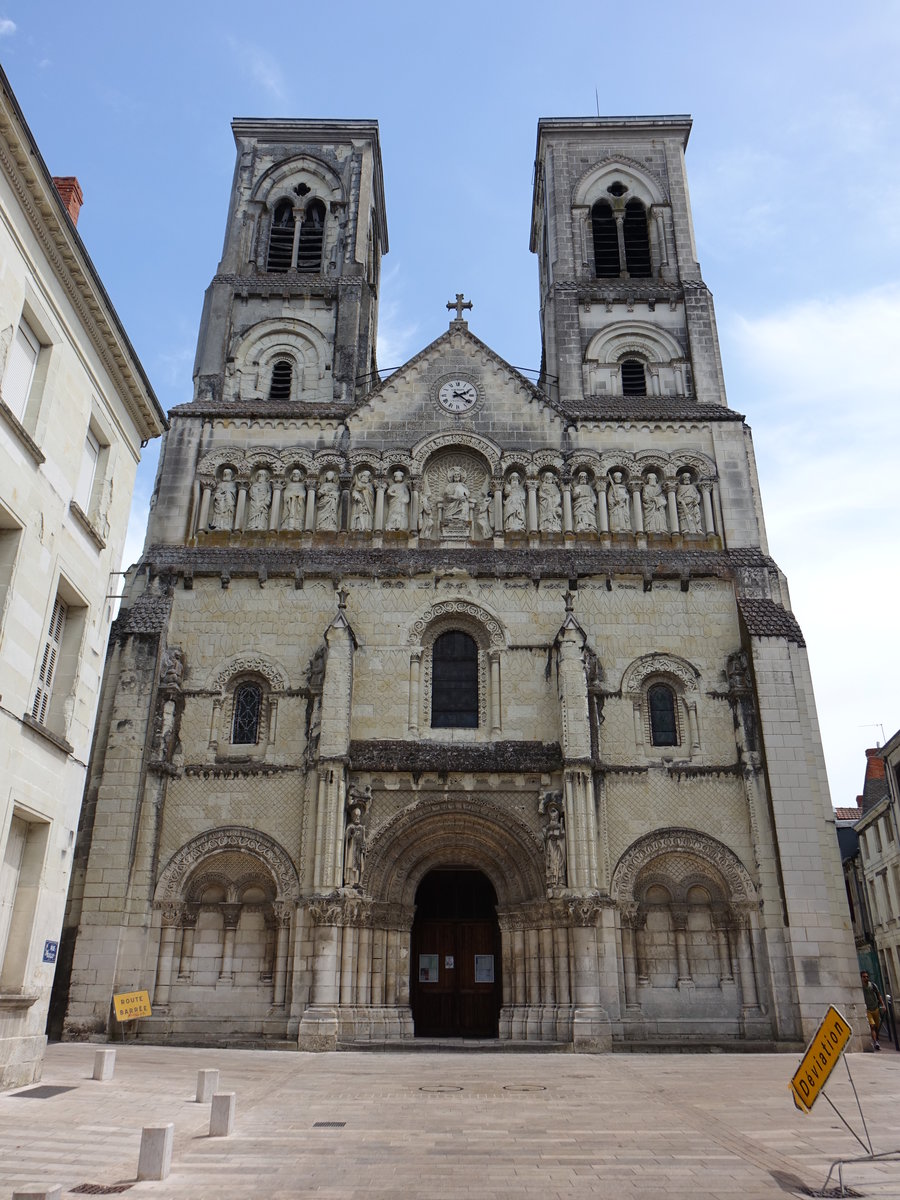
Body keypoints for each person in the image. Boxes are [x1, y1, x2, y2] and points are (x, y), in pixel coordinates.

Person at [861, 970, 886, 1049]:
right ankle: (875, 1042)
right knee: (872, 1025)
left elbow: (879, 995)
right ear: (861, 978)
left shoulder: (873, 985)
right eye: (864, 977)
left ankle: (876, 1038)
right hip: (868, 1009)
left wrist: (883, 1005)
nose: (866, 978)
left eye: (867, 977)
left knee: (876, 1026)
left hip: (875, 1008)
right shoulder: (860, 987)